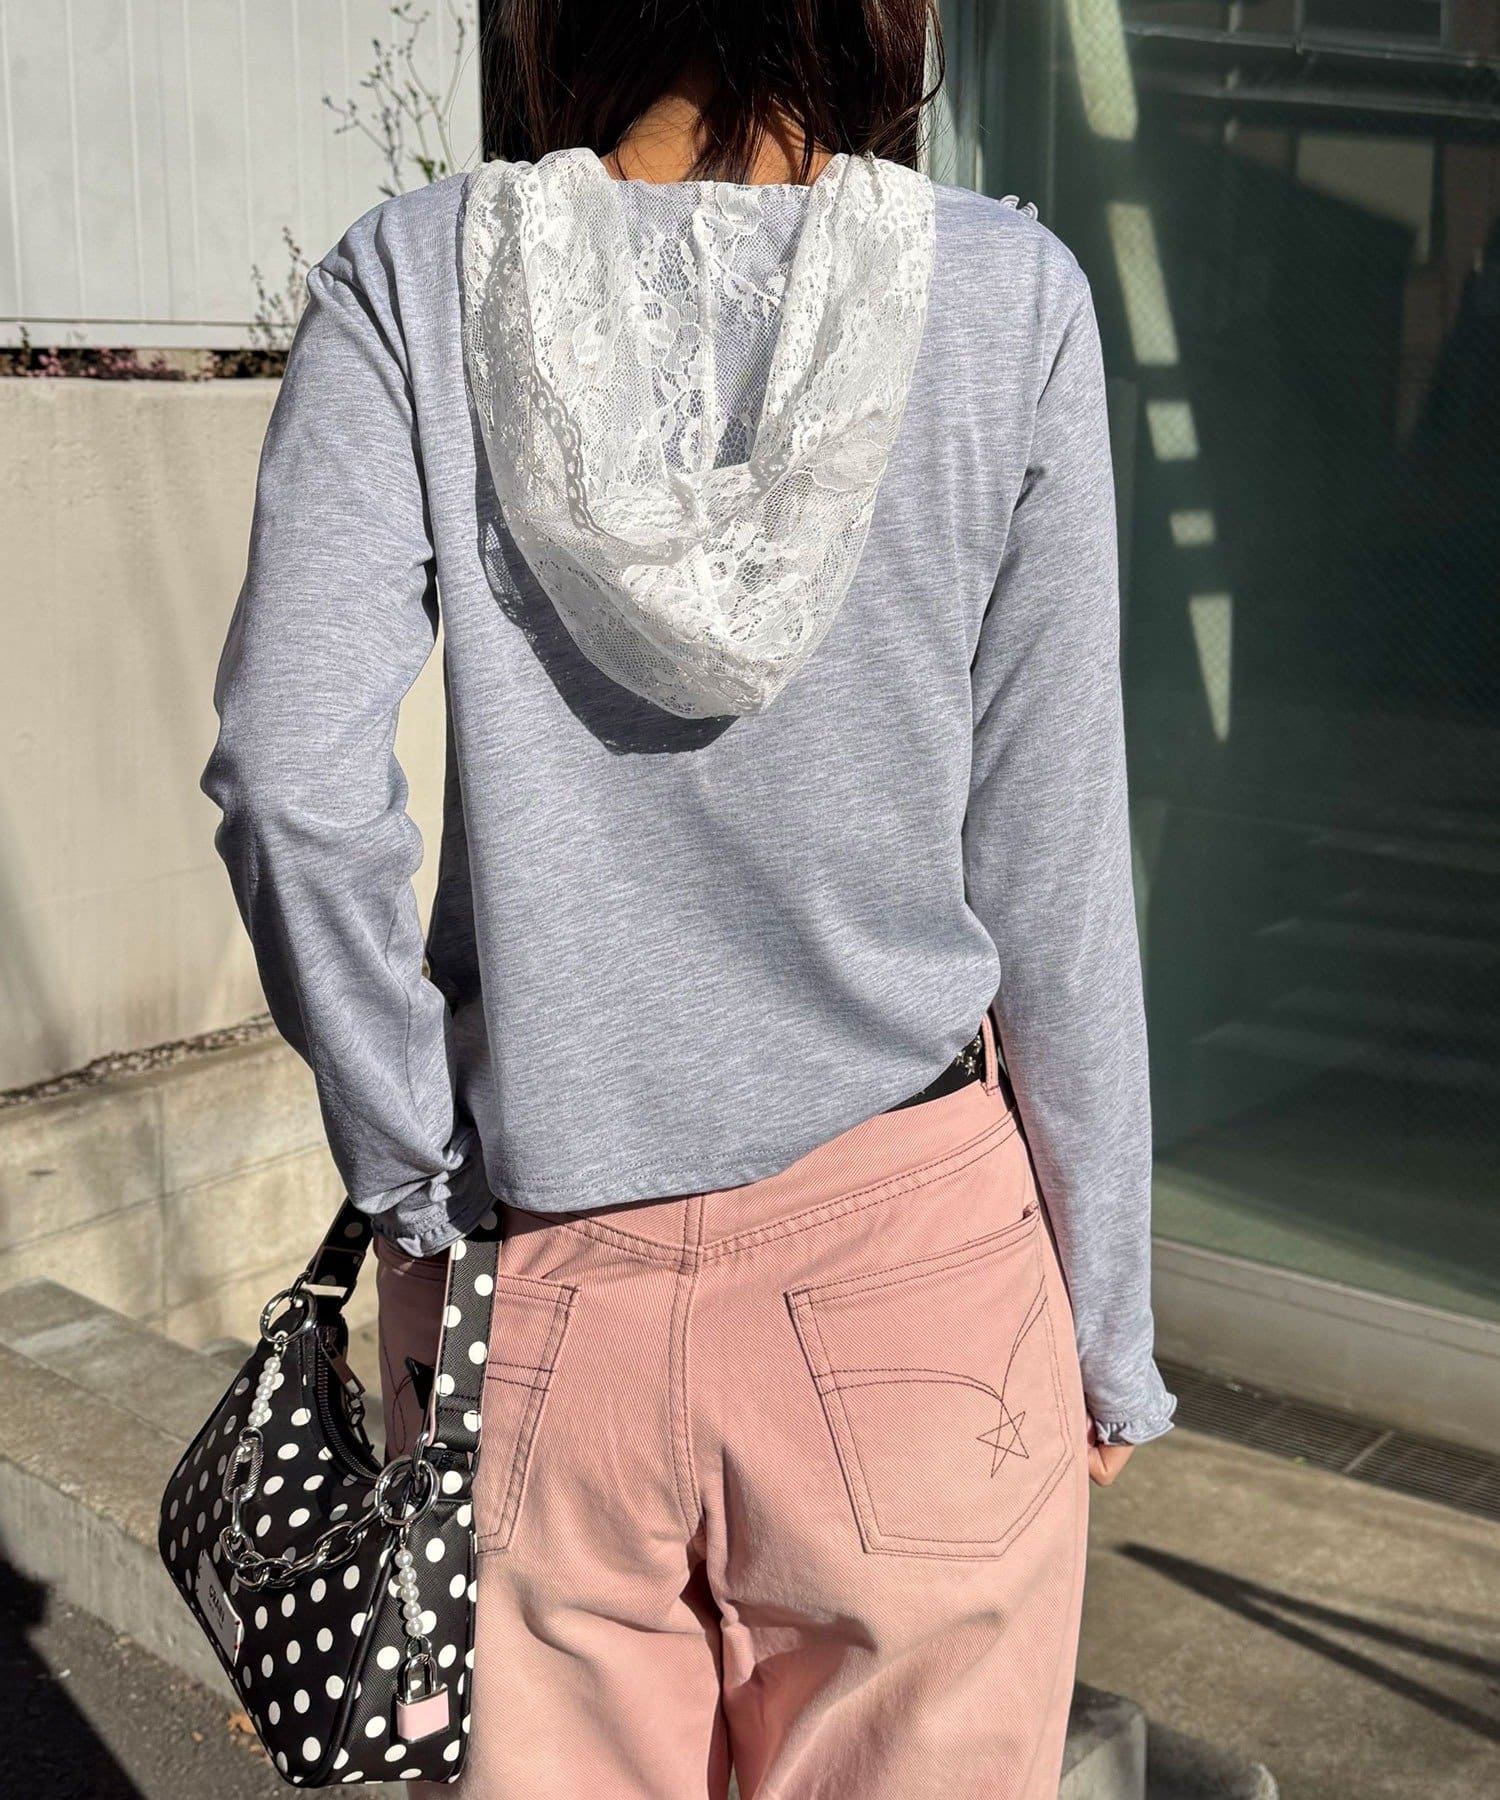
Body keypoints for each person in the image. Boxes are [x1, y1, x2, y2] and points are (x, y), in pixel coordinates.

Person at [201, 2, 1176, 1793]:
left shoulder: (411, 281)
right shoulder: (1006, 302)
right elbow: (1052, 865)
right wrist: (1107, 1325)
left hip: (541, 1275)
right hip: (918, 1273)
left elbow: (290, 777)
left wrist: (417, 1188)